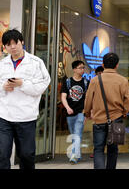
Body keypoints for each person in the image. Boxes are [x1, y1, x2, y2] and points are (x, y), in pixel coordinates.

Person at [0, 29, 51, 169]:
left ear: (21, 42)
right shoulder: (2, 64)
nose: (13, 47)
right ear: (5, 47)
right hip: (4, 116)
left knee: (27, 155)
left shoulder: (36, 62)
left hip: (26, 117)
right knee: (2, 154)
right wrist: (3, 86)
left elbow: (42, 85)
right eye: (8, 44)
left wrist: (22, 84)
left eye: (15, 43)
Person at [84, 52, 129, 169]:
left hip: (99, 120)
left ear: (103, 64)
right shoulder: (123, 81)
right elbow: (127, 100)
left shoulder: (95, 80)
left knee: (98, 149)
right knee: (113, 149)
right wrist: (124, 112)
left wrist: (87, 112)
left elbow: (88, 99)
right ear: (117, 65)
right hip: (116, 119)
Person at [61, 60, 89, 164]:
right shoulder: (68, 82)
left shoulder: (86, 82)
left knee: (77, 134)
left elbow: (87, 99)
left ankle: (74, 156)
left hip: (81, 112)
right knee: (74, 134)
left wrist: (86, 112)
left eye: (83, 68)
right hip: (70, 113)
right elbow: (63, 97)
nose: (82, 70)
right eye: (80, 68)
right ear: (74, 69)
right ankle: (78, 154)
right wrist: (67, 108)